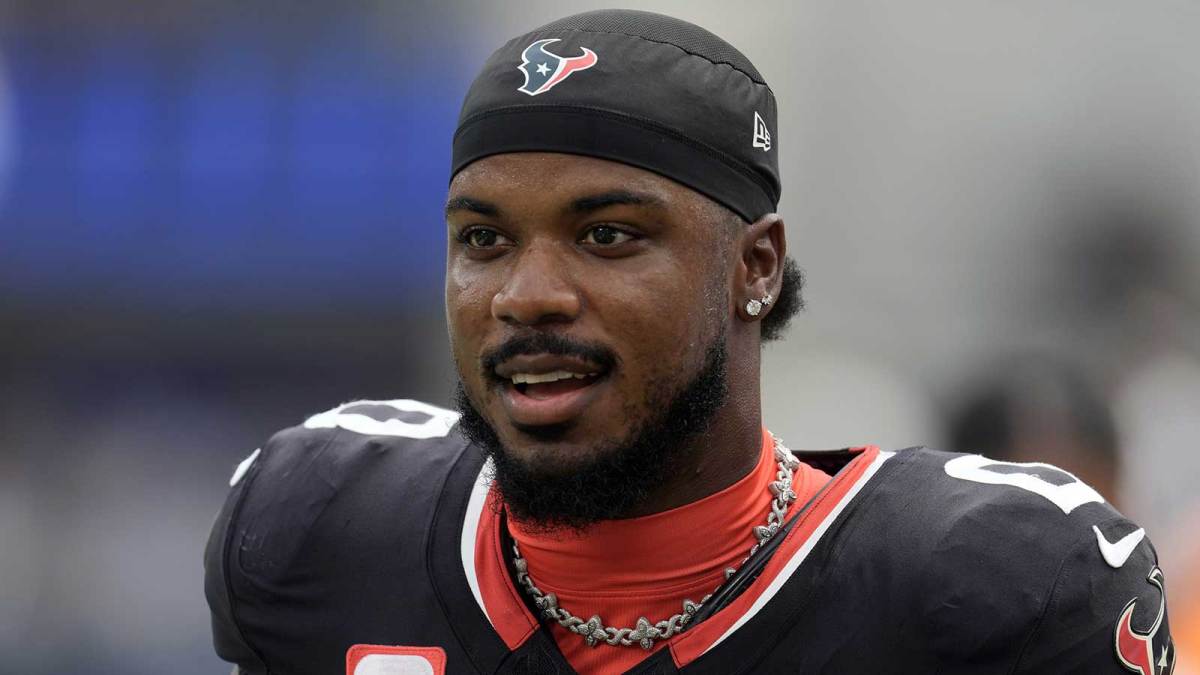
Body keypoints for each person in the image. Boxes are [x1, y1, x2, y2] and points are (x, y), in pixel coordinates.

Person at [204, 10, 1175, 674]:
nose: (526, 295)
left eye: (608, 235)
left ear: (755, 268)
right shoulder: (316, 528)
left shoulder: (991, 590)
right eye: (483, 240)